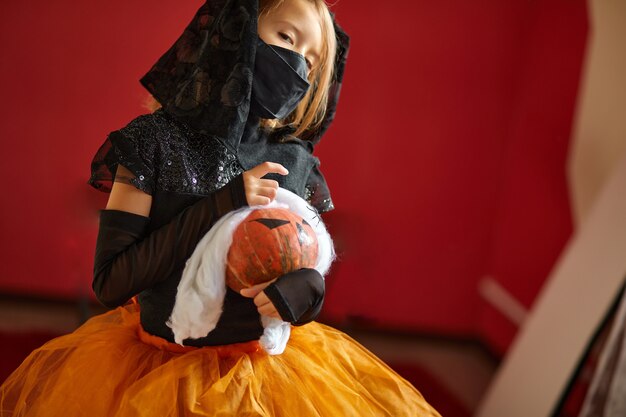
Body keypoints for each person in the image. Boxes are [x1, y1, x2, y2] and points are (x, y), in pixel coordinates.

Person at [0, 0, 441, 415]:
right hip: (158, 369)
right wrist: (225, 203)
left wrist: (307, 291)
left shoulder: (298, 162)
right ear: (237, 28)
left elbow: (302, 258)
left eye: (311, 60)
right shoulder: (153, 143)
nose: (298, 68)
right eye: (287, 38)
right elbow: (111, 282)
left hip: (265, 376)